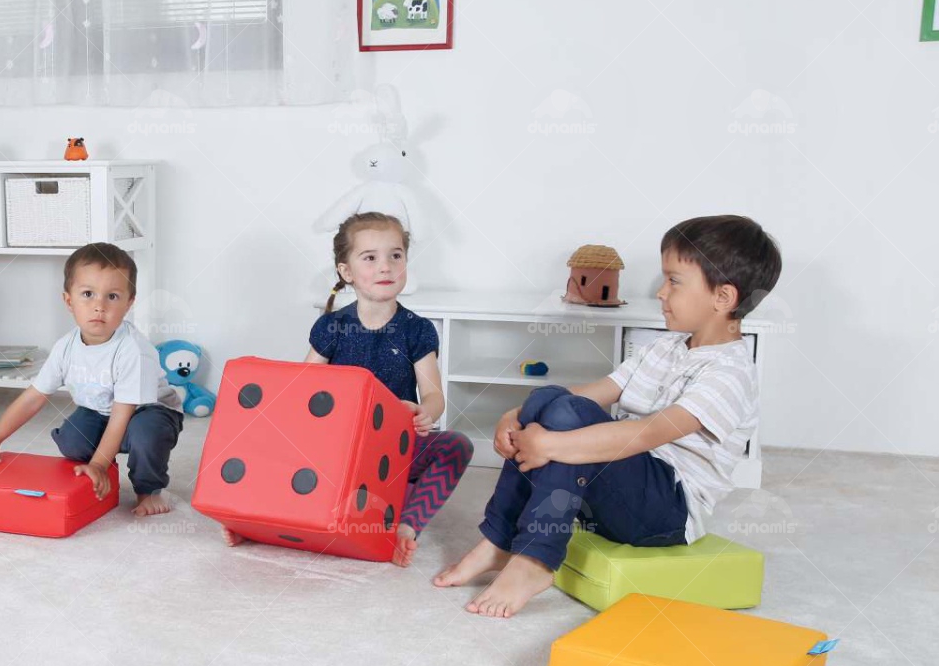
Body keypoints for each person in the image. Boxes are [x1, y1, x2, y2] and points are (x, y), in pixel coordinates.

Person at [434, 214, 783, 617]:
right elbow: (591, 393)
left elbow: (647, 433)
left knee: (567, 414)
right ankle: (499, 542)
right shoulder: (665, 348)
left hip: (663, 512)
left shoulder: (729, 373)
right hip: (618, 491)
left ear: (722, 297)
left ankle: (535, 560)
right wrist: (516, 414)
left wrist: (551, 444)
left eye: (674, 281)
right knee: (550, 397)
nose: (660, 292)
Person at [226, 211, 472, 566]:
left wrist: (424, 412)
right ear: (346, 271)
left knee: (456, 446)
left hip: (395, 449)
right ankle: (253, 522)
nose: (385, 266)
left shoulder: (417, 330)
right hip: (335, 450)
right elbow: (302, 391)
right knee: (271, 438)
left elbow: (433, 396)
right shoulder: (332, 327)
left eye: (396, 255)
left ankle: (404, 528)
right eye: (370, 258)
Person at [0, 242, 183, 516]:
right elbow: (33, 398)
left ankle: (149, 491)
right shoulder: (65, 347)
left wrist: (98, 464)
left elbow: (123, 413)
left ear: (129, 303)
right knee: (72, 440)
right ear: (69, 301)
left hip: (150, 411)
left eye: (112, 296)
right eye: (88, 294)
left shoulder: (133, 350)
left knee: (145, 435)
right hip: (101, 411)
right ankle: (104, 464)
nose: (99, 306)